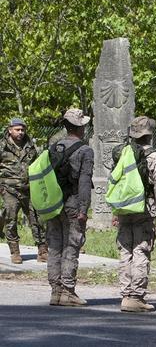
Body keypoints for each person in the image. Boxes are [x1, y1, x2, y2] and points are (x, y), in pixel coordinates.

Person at [114, 116, 156, 313]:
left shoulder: (124, 154)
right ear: (149, 135)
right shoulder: (155, 157)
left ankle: (125, 294)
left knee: (125, 251)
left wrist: (116, 210)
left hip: (123, 209)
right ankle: (136, 296)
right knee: (140, 250)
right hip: (144, 209)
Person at [47, 109, 94, 306]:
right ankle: (68, 290)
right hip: (74, 203)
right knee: (72, 245)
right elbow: (84, 182)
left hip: (54, 203)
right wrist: (84, 209)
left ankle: (55, 291)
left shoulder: (53, 147)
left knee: (54, 246)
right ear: (80, 127)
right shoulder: (85, 150)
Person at [0, 118, 47, 264]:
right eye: (17, 129)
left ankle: (43, 250)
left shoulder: (30, 145)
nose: (20, 132)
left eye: (22, 129)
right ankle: (15, 251)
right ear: (10, 130)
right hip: (9, 189)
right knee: (10, 219)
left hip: (29, 188)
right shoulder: (2, 146)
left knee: (37, 219)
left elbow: (37, 164)